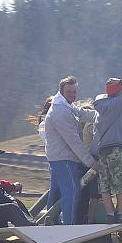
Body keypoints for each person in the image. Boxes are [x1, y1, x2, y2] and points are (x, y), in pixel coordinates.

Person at [44, 76, 99, 225]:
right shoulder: (61, 112)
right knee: (72, 191)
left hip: (57, 157)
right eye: (69, 91)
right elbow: (74, 142)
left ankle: (51, 223)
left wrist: (102, 114)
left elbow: (82, 113)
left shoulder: (67, 105)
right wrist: (90, 162)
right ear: (61, 91)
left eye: (74, 91)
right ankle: (69, 226)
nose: (72, 94)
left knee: (55, 193)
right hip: (64, 158)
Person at [91, 78, 122, 223]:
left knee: (104, 185)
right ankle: (119, 213)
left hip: (103, 150)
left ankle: (109, 214)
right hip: (117, 149)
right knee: (119, 184)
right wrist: (121, 81)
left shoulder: (100, 107)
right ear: (119, 91)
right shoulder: (119, 103)